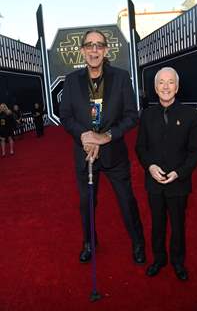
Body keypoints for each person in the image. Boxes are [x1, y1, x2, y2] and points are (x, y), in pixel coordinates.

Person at [60, 29, 146, 265]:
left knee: (126, 201)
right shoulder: (71, 81)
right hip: (84, 154)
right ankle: (89, 242)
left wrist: (107, 136)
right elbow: (65, 116)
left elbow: (131, 116)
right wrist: (85, 136)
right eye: (89, 45)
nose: (94, 50)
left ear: (106, 50)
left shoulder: (120, 77)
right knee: (86, 204)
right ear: (82, 51)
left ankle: (138, 243)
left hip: (114, 154)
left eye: (99, 45)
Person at [135, 67, 197, 281]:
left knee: (178, 224)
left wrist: (179, 173)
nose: (166, 86)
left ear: (177, 86)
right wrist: (150, 167)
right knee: (157, 223)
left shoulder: (191, 115)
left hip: (178, 183)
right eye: (161, 83)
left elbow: (196, 151)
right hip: (153, 183)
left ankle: (177, 261)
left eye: (170, 82)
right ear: (155, 88)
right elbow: (140, 148)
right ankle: (159, 259)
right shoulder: (146, 115)